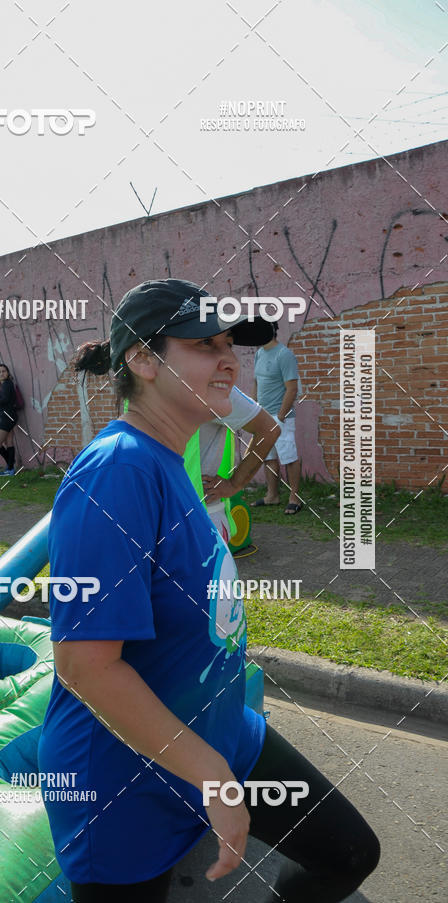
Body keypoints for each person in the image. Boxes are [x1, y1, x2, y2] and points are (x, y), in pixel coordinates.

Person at [38, 279, 379, 903]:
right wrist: (211, 778)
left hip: (222, 738)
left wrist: (216, 762)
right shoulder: (117, 470)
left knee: (348, 852)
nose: (229, 359)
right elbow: (85, 665)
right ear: (142, 359)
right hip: (125, 783)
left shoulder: (172, 459)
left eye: (231, 344)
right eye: (204, 344)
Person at [198, 385, 280, 544]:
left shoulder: (210, 383)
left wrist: (234, 484)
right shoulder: (142, 383)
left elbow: (268, 429)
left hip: (203, 517)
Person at [252, 322, 302, 514]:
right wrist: (253, 408)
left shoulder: (284, 354)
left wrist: (281, 415)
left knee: (288, 456)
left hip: (281, 417)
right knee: (269, 456)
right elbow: (256, 382)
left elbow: (292, 388)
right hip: (262, 416)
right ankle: (272, 496)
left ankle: (294, 497)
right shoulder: (259, 353)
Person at [0, 363, 17, 475]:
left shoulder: (7, 384)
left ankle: (10, 465)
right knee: (9, 442)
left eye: (3, 371)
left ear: (8, 372)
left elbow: (5, 399)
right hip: (10, 417)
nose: (1, 373)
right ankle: (10, 468)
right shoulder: (6, 384)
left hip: (7, 418)